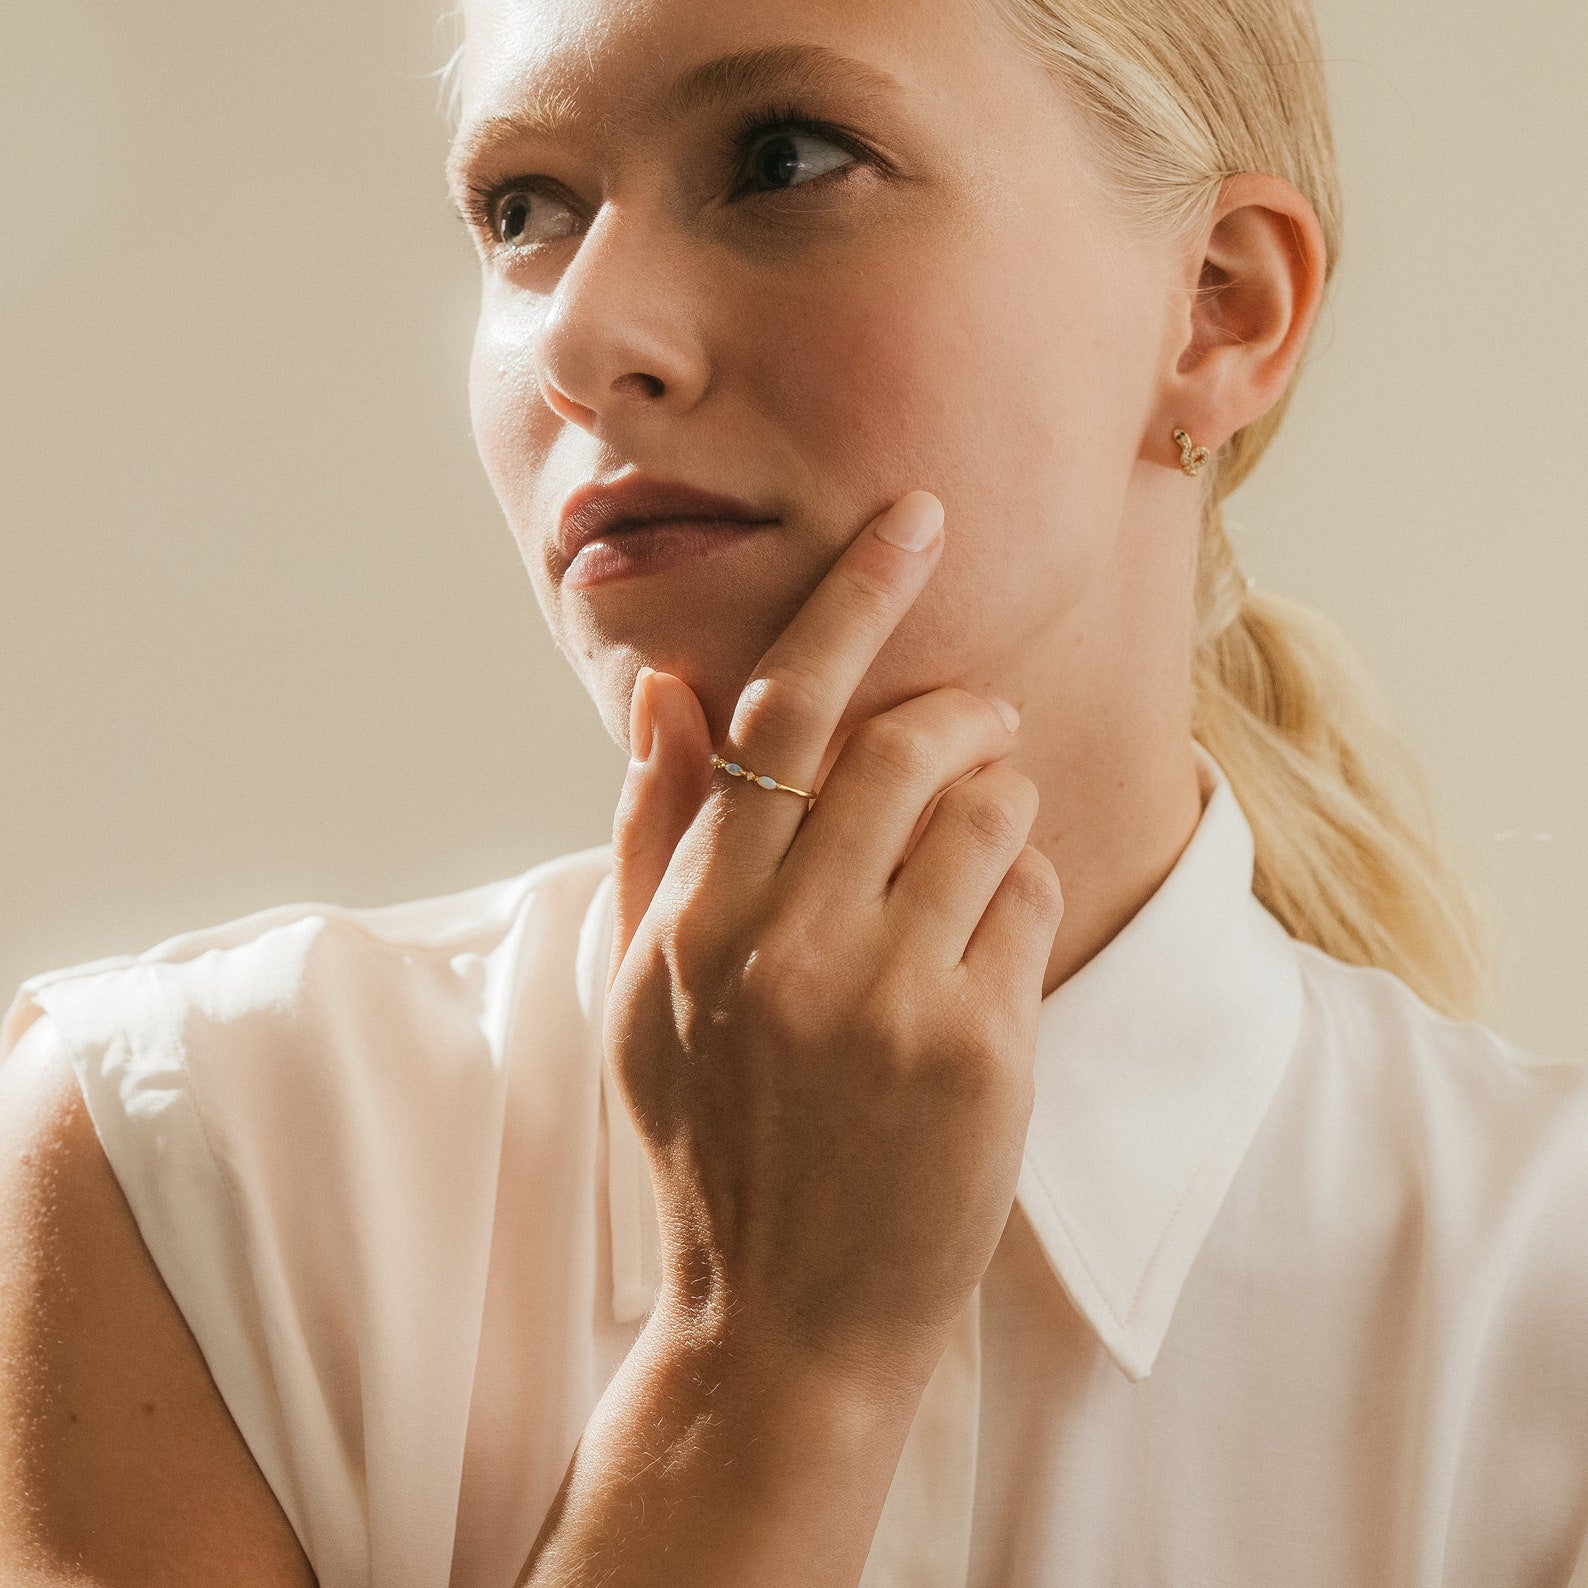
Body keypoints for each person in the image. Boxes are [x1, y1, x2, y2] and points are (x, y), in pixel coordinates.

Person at [2, 0, 1583, 1582]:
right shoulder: (182, 1161)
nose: (576, 338)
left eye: (786, 157)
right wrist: (761, 1364)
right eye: (523, 210)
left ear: (1219, 307)